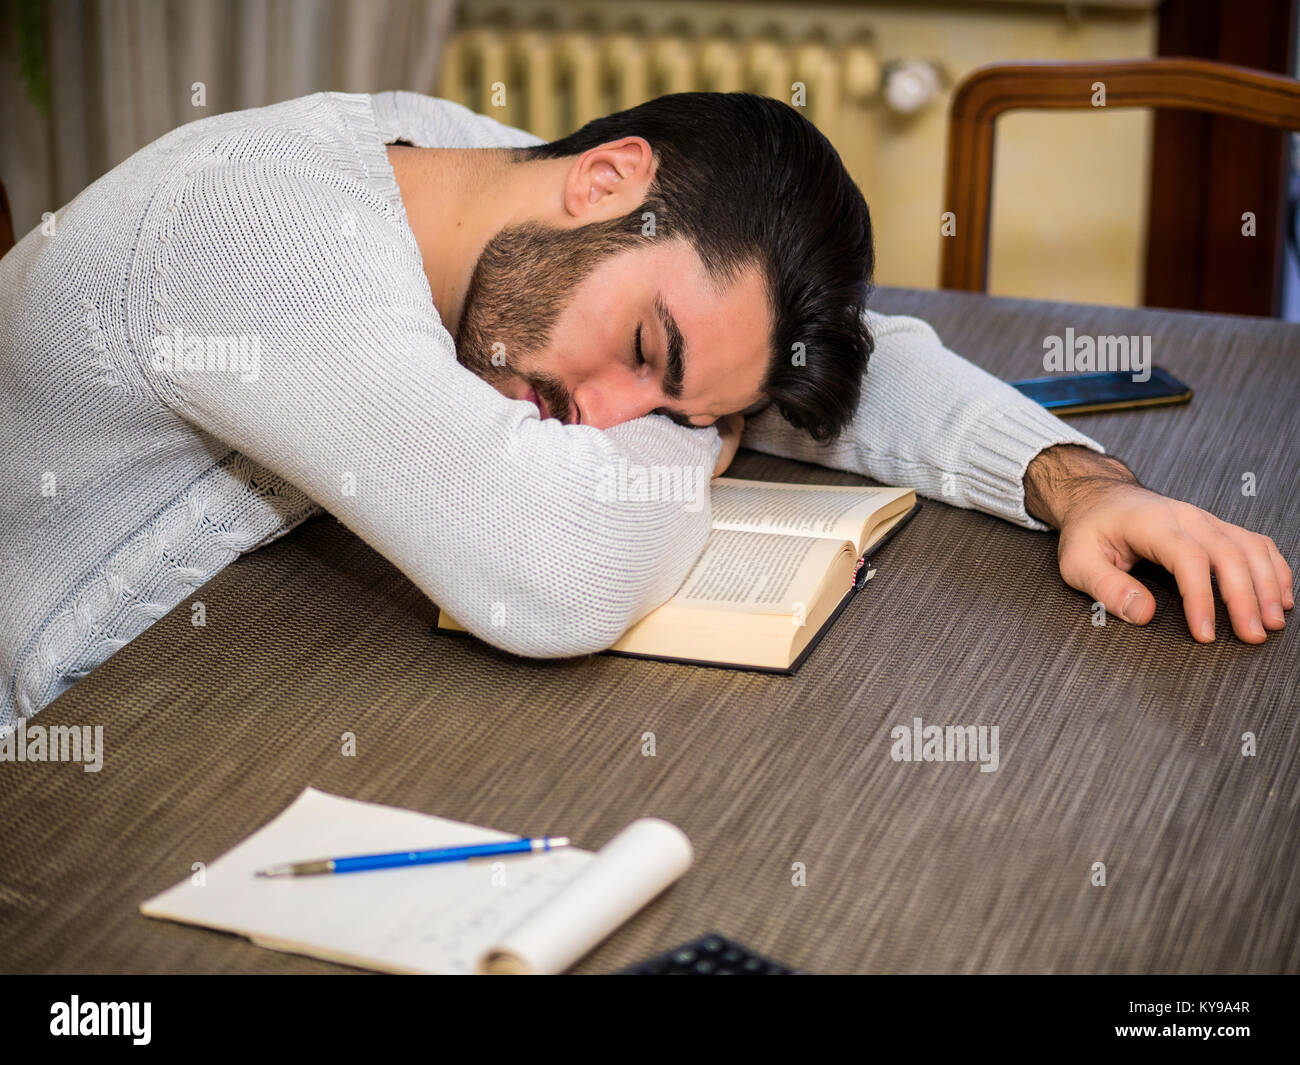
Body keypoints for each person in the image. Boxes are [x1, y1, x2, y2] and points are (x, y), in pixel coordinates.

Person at [0, 90, 1290, 732]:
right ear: (610, 177)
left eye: (667, 398)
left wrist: (1089, 487)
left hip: (224, 674)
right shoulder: (262, 237)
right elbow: (553, 578)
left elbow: (866, 356)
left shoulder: (483, 172)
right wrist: (692, 429)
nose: (597, 417)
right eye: (644, 352)